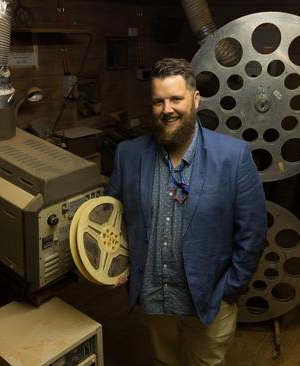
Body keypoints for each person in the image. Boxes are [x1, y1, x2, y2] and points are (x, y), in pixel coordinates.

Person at [106, 58, 267, 366]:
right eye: (158, 101)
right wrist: (115, 263)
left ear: (194, 99)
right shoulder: (128, 154)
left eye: (176, 99)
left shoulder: (233, 158)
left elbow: (253, 232)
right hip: (153, 299)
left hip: (208, 302)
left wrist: (230, 289)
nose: (167, 109)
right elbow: (111, 212)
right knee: (164, 362)